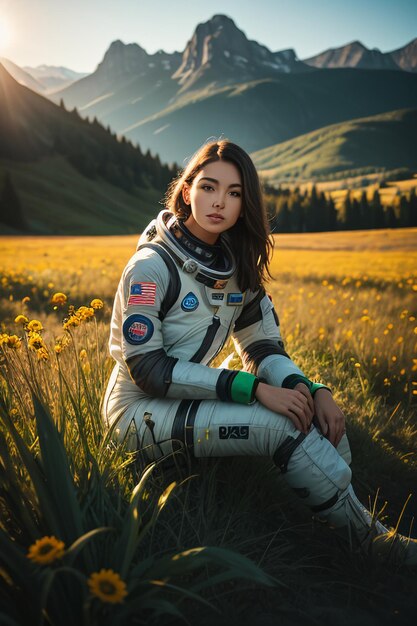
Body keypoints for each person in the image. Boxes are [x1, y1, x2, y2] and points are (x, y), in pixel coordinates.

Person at [102, 139, 416, 565]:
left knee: (308, 410)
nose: (219, 203)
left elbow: (262, 346)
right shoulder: (152, 265)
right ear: (187, 188)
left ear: (245, 202)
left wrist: (311, 387)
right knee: (282, 426)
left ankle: (356, 516)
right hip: (137, 412)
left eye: (234, 194)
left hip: (186, 396)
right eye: (209, 187)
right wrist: (252, 390)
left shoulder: (237, 262)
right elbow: (148, 369)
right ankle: (371, 543)